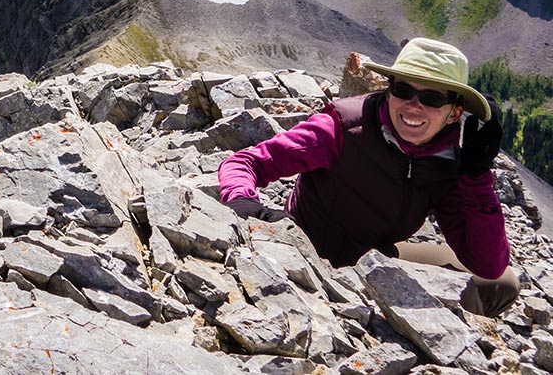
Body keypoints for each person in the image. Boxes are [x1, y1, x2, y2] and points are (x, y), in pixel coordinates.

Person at [217, 37, 519, 317]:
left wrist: (476, 176)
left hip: (376, 261)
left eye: (431, 98)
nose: (414, 105)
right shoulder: (343, 128)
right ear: (388, 91)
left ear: (454, 113)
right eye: (402, 91)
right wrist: (248, 206)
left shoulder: (447, 164)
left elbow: (487, 264)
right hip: (304, 254)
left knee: (502, 282)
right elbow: (246, 163)